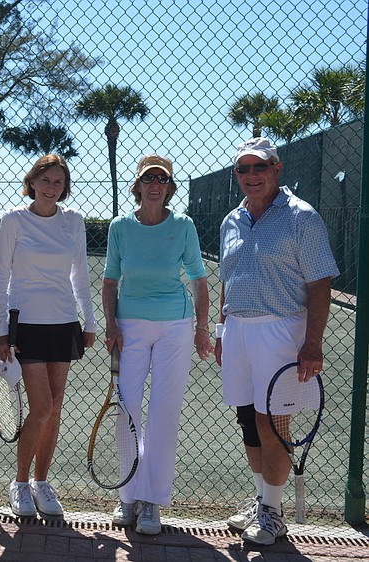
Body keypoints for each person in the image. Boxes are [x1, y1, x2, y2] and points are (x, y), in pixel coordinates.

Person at [216, 138, 339, 545]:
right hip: (237, 331)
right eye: (243, 168)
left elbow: (320, 284)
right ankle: (262, 501)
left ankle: (273, 513)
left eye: (260, 167)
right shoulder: (231, 220)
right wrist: (221, 330)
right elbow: (227, 280)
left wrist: (313, 343)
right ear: (237, 174)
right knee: (248, 421)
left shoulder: (302, 217)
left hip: (282, 332)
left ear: (277, 169)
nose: (251, 175)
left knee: (272, 425)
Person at [102, 154, 213, 535]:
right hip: (130, 327)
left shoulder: (183, 226)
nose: (155, 185)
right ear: (138, 186)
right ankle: (128, 495)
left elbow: (198, 280)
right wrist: (111, 324)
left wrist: (201, 328)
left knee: (164, 411)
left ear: (169, 187)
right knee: (127, 410)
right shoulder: (120, 226)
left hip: (175, 326)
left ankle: (152, 501)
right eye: (148, 179)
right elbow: (110, 281)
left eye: (161, 180)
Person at [0, 153, 98, 518]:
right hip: (26, 326)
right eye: (46, 180)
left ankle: (41, 482)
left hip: (63, 324)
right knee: (41, 407)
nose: (51, 188)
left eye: (58, 182)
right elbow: (1, 278)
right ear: (32, 183)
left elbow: (79, 274)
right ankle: (20, 483)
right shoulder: (13, 220)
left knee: (54, 408)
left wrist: (89, 321)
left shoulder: (73, 221)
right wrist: (1, 331)